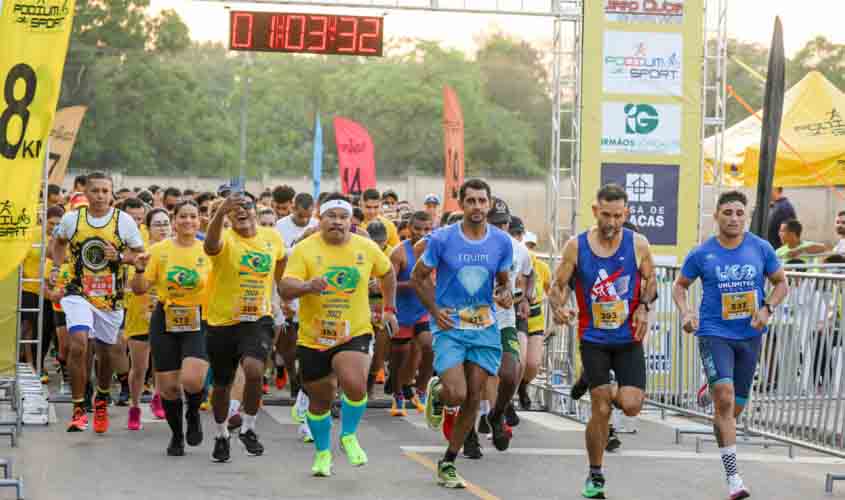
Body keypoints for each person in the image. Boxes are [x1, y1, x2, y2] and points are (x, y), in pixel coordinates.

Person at [673, 190, 788, 500]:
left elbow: (781, 282)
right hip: (714, 332)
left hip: (749, 336)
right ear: (716, 216)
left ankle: (711, 390)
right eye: (727, 212)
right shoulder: (702, 254)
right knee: (724, 398)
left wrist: (767, 309)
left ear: (746, 217)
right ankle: (734, 477)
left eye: (739, 213)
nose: (734, 218)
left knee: (732, 408)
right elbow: (680, 286)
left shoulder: (760, 248)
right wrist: (686, 313)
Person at [548, 183, 657, 499]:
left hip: (628, 338)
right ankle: (595, 475)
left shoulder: (638, 244)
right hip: (593, 337)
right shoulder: (576, 246)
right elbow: (558, 285)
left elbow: (651, 280)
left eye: (618, 216)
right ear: (595, 211)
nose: (611, 223)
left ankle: (592, 380)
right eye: (605, 215)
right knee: (601, 407)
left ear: (627, 213)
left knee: (632, 406)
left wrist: (643, 306)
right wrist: (558, 306)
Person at [281, 193, 398, 477]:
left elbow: (387, 273)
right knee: (321, 400)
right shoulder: (305, 249)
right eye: (331, 216)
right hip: (314, 337)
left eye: (343, 217)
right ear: (321, 219)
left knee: (354, 383)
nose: (337, 222)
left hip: (353, 332)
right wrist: (308, 286)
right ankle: (323, 453)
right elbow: (285, 287)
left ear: (351, 221)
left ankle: (348, 435)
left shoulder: (367, 247)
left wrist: (389, 308)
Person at [411, 179, 513, 489]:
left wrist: (504, 293)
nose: (478, 207)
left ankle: (449, 460)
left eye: (483, 201)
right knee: (456, 392)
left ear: (490, 203)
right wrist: (434, 310)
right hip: (450, 326)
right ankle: (438, 392)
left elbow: (503, 281)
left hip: (483, 326)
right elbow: (418, 277)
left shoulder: (501, 242)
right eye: (471, 201)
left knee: (474, 394)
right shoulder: (442, 239)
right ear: (461, 204)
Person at [50, 172, 145, 433]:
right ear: (86, 193)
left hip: (109, 295)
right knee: (78, 344)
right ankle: (79, 408)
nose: (101, 195)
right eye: (96, 191)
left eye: (105, 191)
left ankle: (101, 398)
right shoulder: (72, 218)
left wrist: (120, 257)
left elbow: (139, 254)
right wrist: (57, 268)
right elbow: (57, 243)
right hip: (77, 290)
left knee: (106, 352)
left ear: (112, 194)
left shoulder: (123, 221)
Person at [203, 190, 286, 462]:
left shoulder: (271, 237)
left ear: (255, 209)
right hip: (222, 320)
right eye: (233, 209)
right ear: (227, 215)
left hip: (257, 318)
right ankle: (221, 434)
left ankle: (248, 429)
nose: (241, 212)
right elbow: (210, 246)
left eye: (245, 207)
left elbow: (282, 260)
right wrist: (218, 213)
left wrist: (277, 295)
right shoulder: (225, 238)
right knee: (223, 384)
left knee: (254, 369)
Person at [132, 201, 211, 456]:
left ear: (200, 220)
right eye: (182, 216)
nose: (188, 221)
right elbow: (140, 288)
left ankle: (194, 413)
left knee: (192, 379)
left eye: (193, 216)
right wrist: (140, 268)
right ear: (174, 221)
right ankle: (177, 435)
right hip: (166, 317)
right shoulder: (158, 250)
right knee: (169, 387)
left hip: (199, 318)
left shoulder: (208, 250)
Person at [479, 200, 533, 454]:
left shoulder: (518, 250)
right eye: (495, 223)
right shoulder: (474, 246)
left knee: (511, 373)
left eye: (504, 223)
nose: (501, 228)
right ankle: (476, 425)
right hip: (474, 321)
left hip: (505, 320)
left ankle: (496, 414)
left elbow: (529, 273)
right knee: (479, 378)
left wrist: (526, 298)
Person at [123, 208, 170, 428]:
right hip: (140, 313)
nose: (163, 228)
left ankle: (157, 397)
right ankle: (134, 407)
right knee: (140, 366)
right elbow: (132, 283)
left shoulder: (175, 251)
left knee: (161, 363)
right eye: (158, 224)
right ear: (148, 228)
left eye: (166, 223)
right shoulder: (139, 252)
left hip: (167, 313)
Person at [390, 211, 435, 417]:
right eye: (418, 229)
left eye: (427, 230)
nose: (422, 233)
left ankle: (421, 390)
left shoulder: (436, 250)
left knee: (430, 346)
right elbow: (387, 285)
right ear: (409, 228)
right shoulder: (399, 253)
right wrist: (412, 283)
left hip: (423, 311)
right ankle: (398, 394)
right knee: (401, 356)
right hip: (401, 313)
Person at [517, 231, 551, 411]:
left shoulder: (542, 268)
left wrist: (560, 310)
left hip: (535, 318)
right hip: (515, 316)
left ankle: (523, 386)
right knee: (518, 362)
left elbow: (552, 291)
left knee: (533, 364)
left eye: (532, 247)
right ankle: (506, 399)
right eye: (526, 246)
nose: (529, 250)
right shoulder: (515, 261)